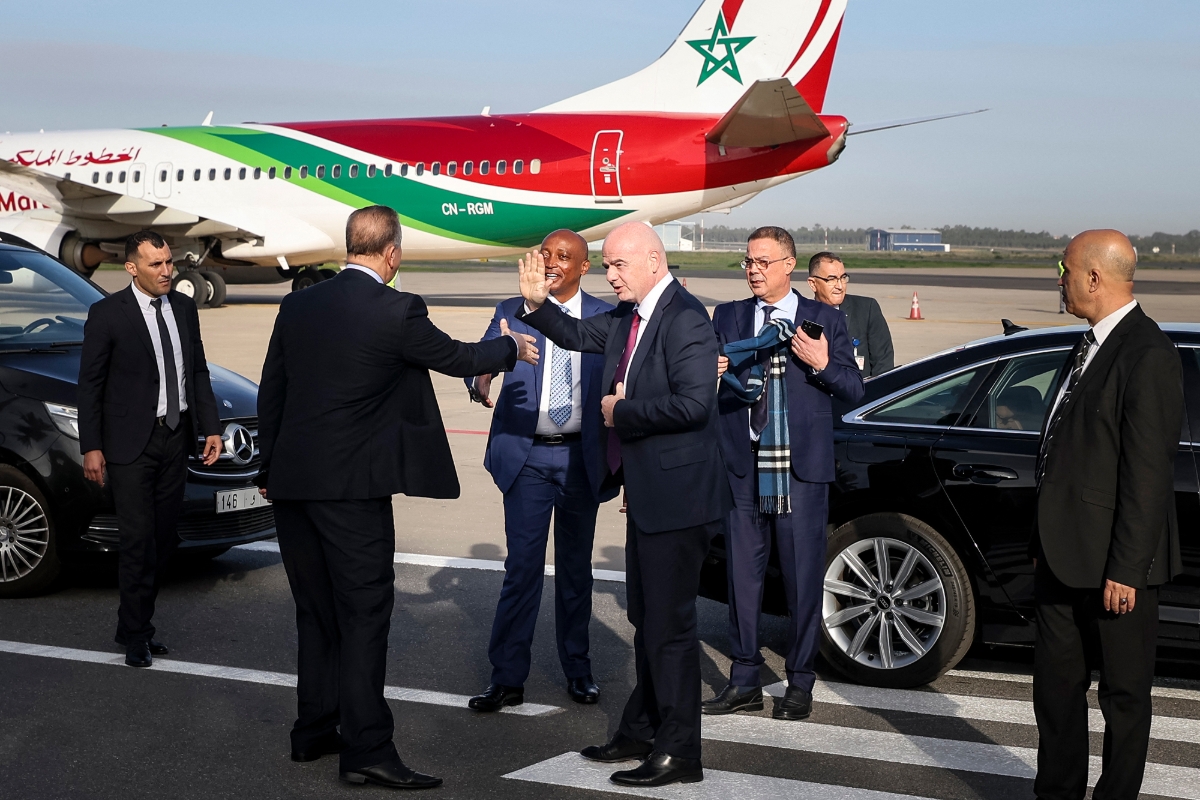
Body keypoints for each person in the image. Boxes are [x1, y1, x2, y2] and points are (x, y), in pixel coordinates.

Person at [256, 205, 538, 791]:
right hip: (351, 493)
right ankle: (366, 750)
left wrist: (269, 469)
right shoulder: (396, 308)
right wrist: (509, 350)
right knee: (364, 617)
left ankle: (313, 729)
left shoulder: (298, 304)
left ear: (350, 246)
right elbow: (456, 358)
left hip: (292, 485)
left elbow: (274, 390)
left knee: (316, 612)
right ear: (391, 253)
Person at [516, 221, 731, 788]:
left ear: (655, 261)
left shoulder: (684, 318)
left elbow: (694, 407)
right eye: (607, 266)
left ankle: (681, 752)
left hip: (682, 500)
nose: (610, 276)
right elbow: (576, 334)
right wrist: (537, 306)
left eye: (618, 266)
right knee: (647, 620)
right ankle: (641, 727)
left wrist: (621, 412)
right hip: (652, 496)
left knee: (670, 628)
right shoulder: (630, 316)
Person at [1032, 229, 1184, 800]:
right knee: (1055, 691)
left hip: (1117, 568)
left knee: (1123, 697)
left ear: (1094, 277)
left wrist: (1127, 568)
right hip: (1061, 555)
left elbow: (1148, 474)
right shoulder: (1087, 343)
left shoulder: (1146, 352)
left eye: (1066, 269)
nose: (1060, 279)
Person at [704, 227, 864, 721]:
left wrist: (820, 365)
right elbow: (705, 381)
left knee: (801, 580)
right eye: (748, 262)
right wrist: (710, 371)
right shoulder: (728, 316)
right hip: (744, 466)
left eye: (764, 262)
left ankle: (799, 682)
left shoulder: (823, 318)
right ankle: (745, 677)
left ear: (790, 265)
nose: (753, 270)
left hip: (801, 470)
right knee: (744, 581)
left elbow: (854, 390)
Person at [464, 229, 617, 711]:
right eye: (546, 254)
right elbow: (483, 354)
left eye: (563, 257)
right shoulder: (511, 310)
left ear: (584, 267)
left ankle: (578, 670)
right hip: (528, 458)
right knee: (521, 570)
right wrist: (480, 375)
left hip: (579, 459)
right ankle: (507, 677)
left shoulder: (606, 317)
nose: (551, 263)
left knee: (576, 572)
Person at [78, 230, 223, 669]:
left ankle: (132, 623)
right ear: (131, 268)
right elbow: (91, 385)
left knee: (163, 541)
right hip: (129, 445)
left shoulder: (182, 306)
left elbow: (196, 369)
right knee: (138, 541)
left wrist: (211, 427)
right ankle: (138, 634)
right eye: (156, 264)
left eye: (169, 262)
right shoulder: (107, 314)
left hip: (175, 439)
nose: (167, 271)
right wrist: (92, 447)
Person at [807, 252, 894, 377]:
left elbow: (883, 363)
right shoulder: (804, 315)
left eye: (843, 278)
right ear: (813, 284)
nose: (840, 286)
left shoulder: (866, 309)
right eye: (831, 279)